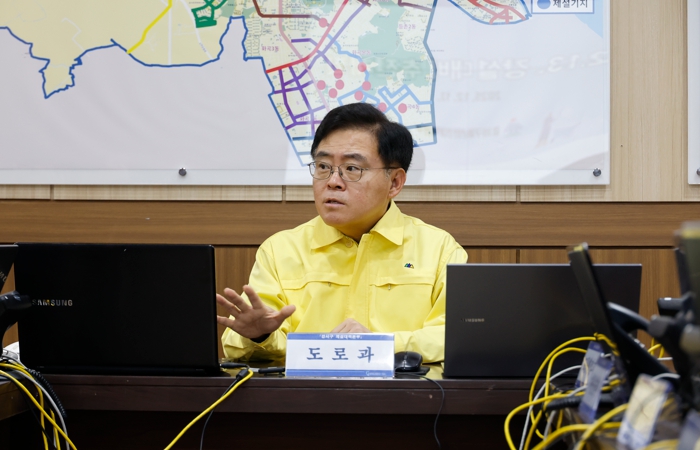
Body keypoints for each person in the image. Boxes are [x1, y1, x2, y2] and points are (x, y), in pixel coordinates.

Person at [217, 103, 468, 363]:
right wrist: (261, 335)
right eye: (323, 166)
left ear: (394, 182)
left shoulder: (439, 250)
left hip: (404, 389)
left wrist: (380, 345)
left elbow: (457, 336)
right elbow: (239, 344)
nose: (333, 181)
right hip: (305, 390)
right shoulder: (281, 251)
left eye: (352, 169)